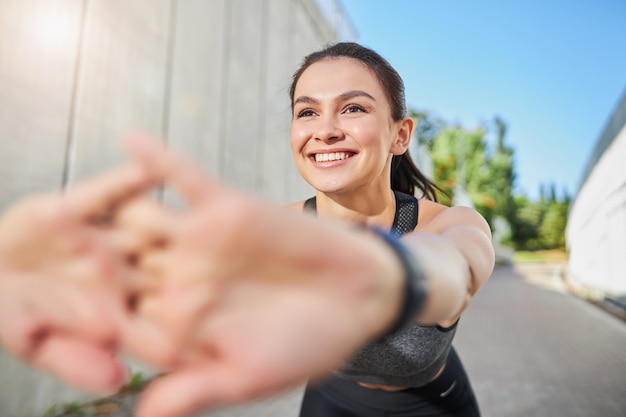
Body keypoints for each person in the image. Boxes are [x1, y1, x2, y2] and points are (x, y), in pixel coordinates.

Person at [0, 41, 494, 417]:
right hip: (328, 400)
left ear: (400, 135)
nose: (325, 129)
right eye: (307, 112)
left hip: (435, 402)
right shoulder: (272, 234)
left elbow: (454, 269)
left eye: (354, 107)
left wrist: (384, 273)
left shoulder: (447, 223)